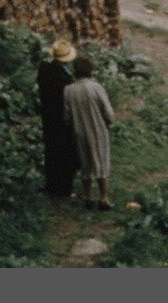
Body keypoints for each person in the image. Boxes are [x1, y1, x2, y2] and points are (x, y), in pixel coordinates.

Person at [62, 55, 116, 211]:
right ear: (90, 71)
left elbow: (66, 116)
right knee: (101, 162)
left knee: (85, 163)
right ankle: (104, 198)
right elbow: (108, 112)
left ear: (75, 72)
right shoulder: (96, 87)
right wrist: (109, 123)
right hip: (98, 129)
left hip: (79, 131)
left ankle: (88, 197)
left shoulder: (68, 90)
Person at [36, 40, 79, 202]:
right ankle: (64, 189)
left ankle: (51, 185)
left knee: (51, 150)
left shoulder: (44, 69)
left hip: (48, 116)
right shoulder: (65, 79)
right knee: (66, 153)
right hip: (62, 119)